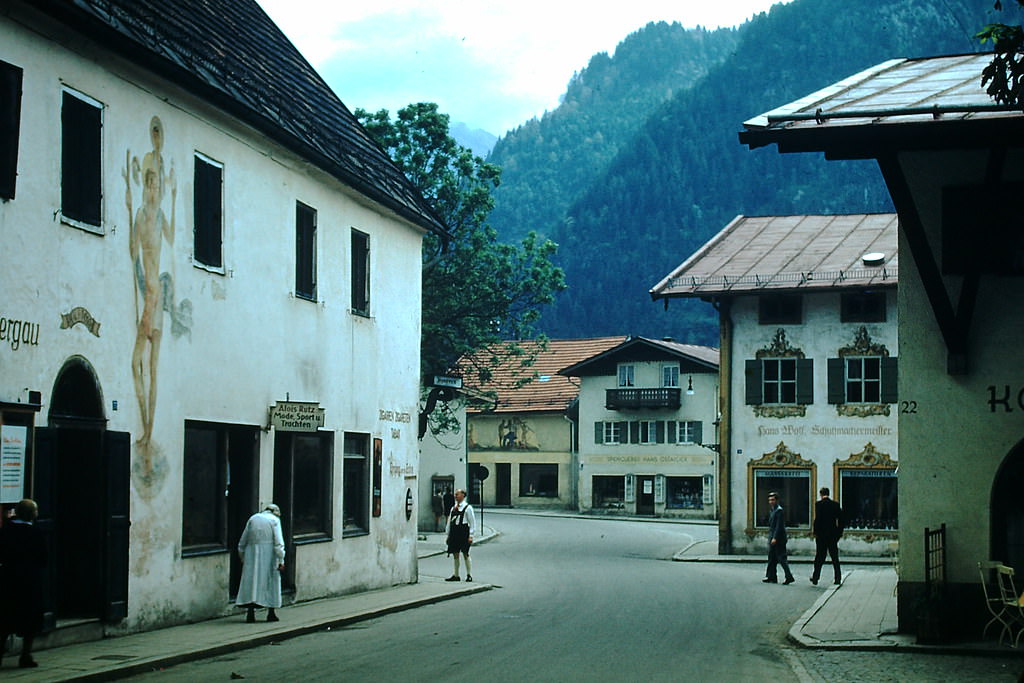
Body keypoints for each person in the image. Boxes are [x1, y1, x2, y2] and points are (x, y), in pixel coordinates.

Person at [0, 499, 47, 668]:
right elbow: (43, 558)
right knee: (30, 618)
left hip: (8, 578)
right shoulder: (35, 532)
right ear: (32, 514)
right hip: (30, 580)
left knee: (6, 616)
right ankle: (25, 655)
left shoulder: (6, 530)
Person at [236, 503, 285, 623]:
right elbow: (278, 542)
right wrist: (281, 559)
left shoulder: (253, 519)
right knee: (270, 582)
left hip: (251, 554)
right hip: (269, 555)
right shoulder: (274, 520)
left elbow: (242, 541)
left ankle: (250, 613)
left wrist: (243, 556)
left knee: (252, 583)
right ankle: (271, 612)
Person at [810, 487, 844, 586]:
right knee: (834, 557)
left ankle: (816, 577)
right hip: (832, 535)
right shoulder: (835, 505)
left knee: (819, 557)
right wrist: (839, 533)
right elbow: (841, 520)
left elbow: (817, 520)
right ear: (829, 494)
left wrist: (815, 532)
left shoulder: (818, 505)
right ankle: (838, 578)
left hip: (821, 536)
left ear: (821, 494)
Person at [763, 491, 795, 585]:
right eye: (769, 500)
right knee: (771, 558)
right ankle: (771, 576)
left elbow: (779, 526)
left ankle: (789, 576)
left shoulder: (779, 511)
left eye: (772, 500)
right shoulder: (773, 510)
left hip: (779, 538)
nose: (771, 502)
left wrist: (775, 538)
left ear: (777, 500)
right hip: (773, 536)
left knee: (781, 558)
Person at [445, 489, 476, 582]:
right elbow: (449, 522)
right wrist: (448, 534)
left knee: (465, 553)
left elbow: (472, 522)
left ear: (463, 495)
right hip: (454, 532)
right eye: (455, 494)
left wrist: (471, 535)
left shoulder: (468, 508)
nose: (455, 496)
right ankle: (456, 575)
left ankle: (469, 574)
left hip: (463, 532)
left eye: (457, 494)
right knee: (455, 553)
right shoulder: (453, 508)